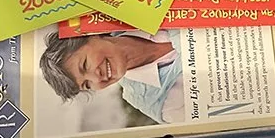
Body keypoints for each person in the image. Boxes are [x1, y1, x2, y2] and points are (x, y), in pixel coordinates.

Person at [39, 29, 184, 125]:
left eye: (85, 65)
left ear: (90, 36)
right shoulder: (151, 100)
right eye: (87, 85)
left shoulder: (134, 14)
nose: (97, 79)